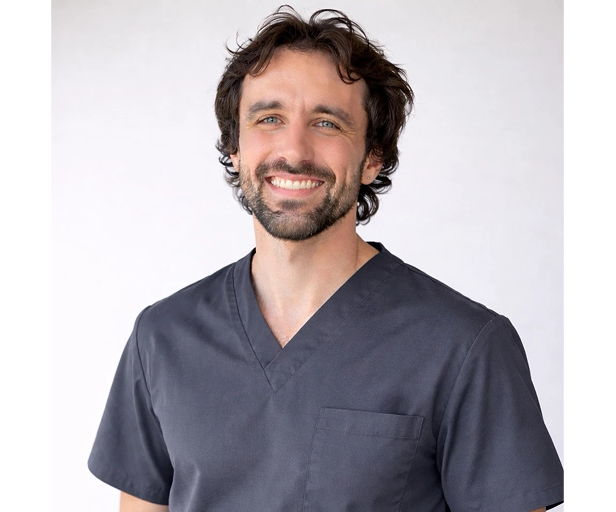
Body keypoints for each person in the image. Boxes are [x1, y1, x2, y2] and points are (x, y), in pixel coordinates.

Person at [88, 6, 564, 512]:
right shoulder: (163, 338)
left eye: (327, 123)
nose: (294, 150)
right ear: (235, 148)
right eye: (269, 119)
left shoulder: (464, 347)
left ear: (373, 157)